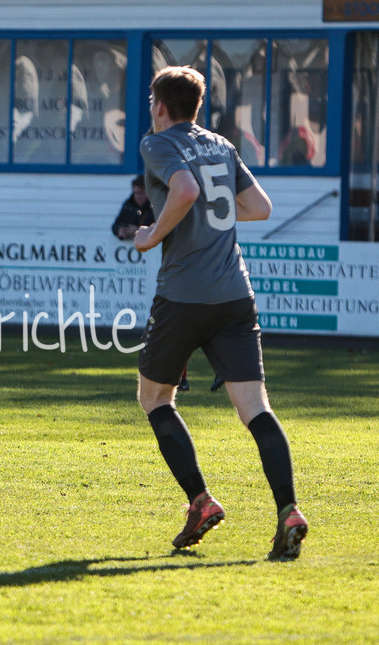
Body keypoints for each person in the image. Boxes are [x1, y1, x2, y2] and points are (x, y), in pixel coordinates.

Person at [135, 66, 307, 560]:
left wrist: (152, 235)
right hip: (235, 293)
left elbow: (185, 190)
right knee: (255, 409)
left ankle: (200, 500)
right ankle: (289, 510)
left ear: (161, 106)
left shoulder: (157, 143)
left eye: (152, 102)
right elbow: (260, 207)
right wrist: (213, 215)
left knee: (154, 397)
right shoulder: (221, 145)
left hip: (184, 294)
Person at [112, 175, 155, 241]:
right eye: (135, 193)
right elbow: (115, 225)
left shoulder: (156, 206)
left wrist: (137, 230)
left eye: (141, 193)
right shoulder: (128, 205)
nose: (138, 196)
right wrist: (121, 229)